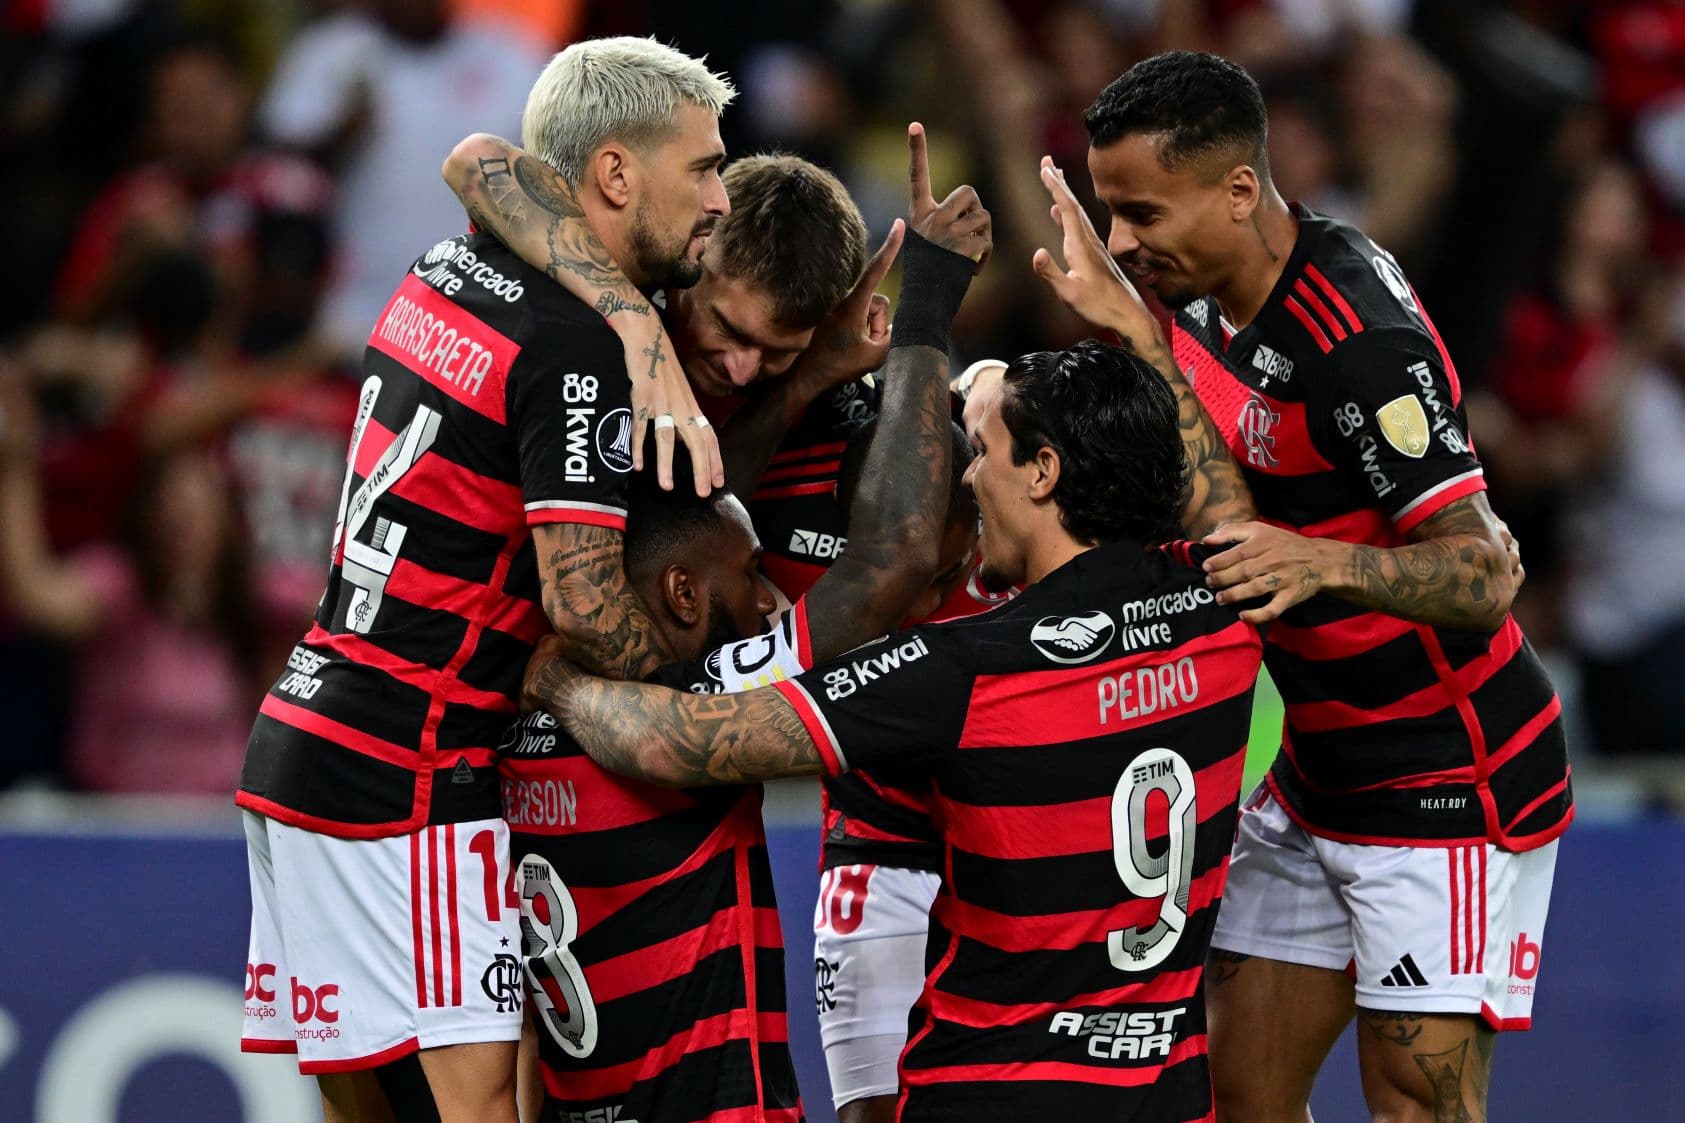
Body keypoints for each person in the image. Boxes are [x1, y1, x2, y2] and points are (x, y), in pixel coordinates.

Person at [527, 341, 1269, 1121]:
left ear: (1044, 472)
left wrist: (557, 679)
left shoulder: (967, 668)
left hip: (989, 1096)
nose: (973, 479)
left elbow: (668, 741)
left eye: (984, 454)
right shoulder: (1225, 609)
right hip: (1167, 1098)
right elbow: (1228, 514)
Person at [1032, 49, 1571, 1123]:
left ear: (1238, 190)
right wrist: (1135, 335)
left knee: (1413, 1109)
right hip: (1317, 776)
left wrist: (1322, 560)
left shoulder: (1356, 339)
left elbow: (1484, 572)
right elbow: (1232, 501)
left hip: (1446, 784)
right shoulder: (1197, 303)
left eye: (1141, 213)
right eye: (1109, 213)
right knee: (1237, 1096)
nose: (1124, 243)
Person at [237, 38, 732, 1123]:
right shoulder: (574, 351)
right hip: (408, 773)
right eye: (700, 168)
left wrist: (634, 317)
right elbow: (586, 608)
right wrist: (706, 689)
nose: (718, 197)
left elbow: (482, 166)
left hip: (305, 737)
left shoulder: (443, 264)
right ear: (614, 173)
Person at [501, 151, 987, 1121]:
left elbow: (703, 525)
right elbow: (871, 569)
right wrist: (880, 332)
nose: (734, 368)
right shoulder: (598, 353)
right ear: (694, 248)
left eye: (777, 347)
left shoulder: (627, 668)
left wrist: (552, 686)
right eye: (725, 329)